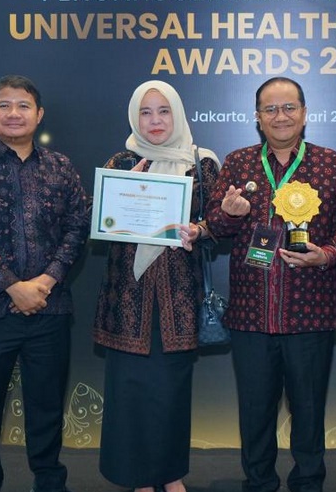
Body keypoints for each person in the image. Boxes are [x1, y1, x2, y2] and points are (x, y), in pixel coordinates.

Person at [205, 77, 336, 492]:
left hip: (309, 314)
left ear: (304, 113)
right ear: (257, 117)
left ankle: (308, 483)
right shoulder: (238, 163)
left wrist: (326, 254)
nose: (281, 116)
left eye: (289, 107)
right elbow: (213, 227)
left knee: (308, 411)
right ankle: (259, 483)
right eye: (270, 109)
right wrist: (229, 213)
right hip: (250, 316)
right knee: (255, 412)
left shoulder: (329, 163)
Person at [0, 75, 89, 492]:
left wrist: (46, 280)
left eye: (23, 106)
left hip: (50, 308)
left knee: (47, 406)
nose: (14, 113)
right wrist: (12, 286)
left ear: (38, 114)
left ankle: (49, 481)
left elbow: (77, 227)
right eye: (4, 105)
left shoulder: (61, 167)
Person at [92, 80, 220, 492]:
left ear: (177, 114)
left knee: (170, 392)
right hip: (128, 300)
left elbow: (218, 224)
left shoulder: (201, 164)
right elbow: (97, 222)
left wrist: (199, 230)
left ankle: (171, 475)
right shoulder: (122, 161)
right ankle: (138, 479)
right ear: (135, 117)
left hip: (177, 300)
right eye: (145, 112)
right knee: (129, 393)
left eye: (163, 111)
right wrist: (120, 190)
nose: (155, 120)